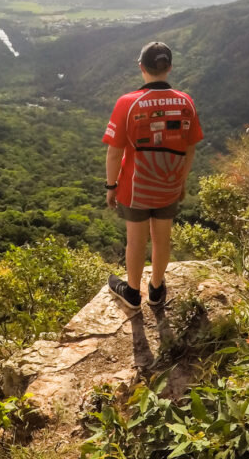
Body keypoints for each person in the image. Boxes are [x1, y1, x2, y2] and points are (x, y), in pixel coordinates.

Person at [103, 41, 203, 310]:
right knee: (162, 238)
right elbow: (190, 147)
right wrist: (181, 181)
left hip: (134, 186)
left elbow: (114, 154)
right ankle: (157, 289)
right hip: (170, 183)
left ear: (141, 67)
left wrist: (111, 186)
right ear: (169, 67)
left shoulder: (128, 103)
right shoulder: (185, 102)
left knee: (135, 241)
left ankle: (132, 293)